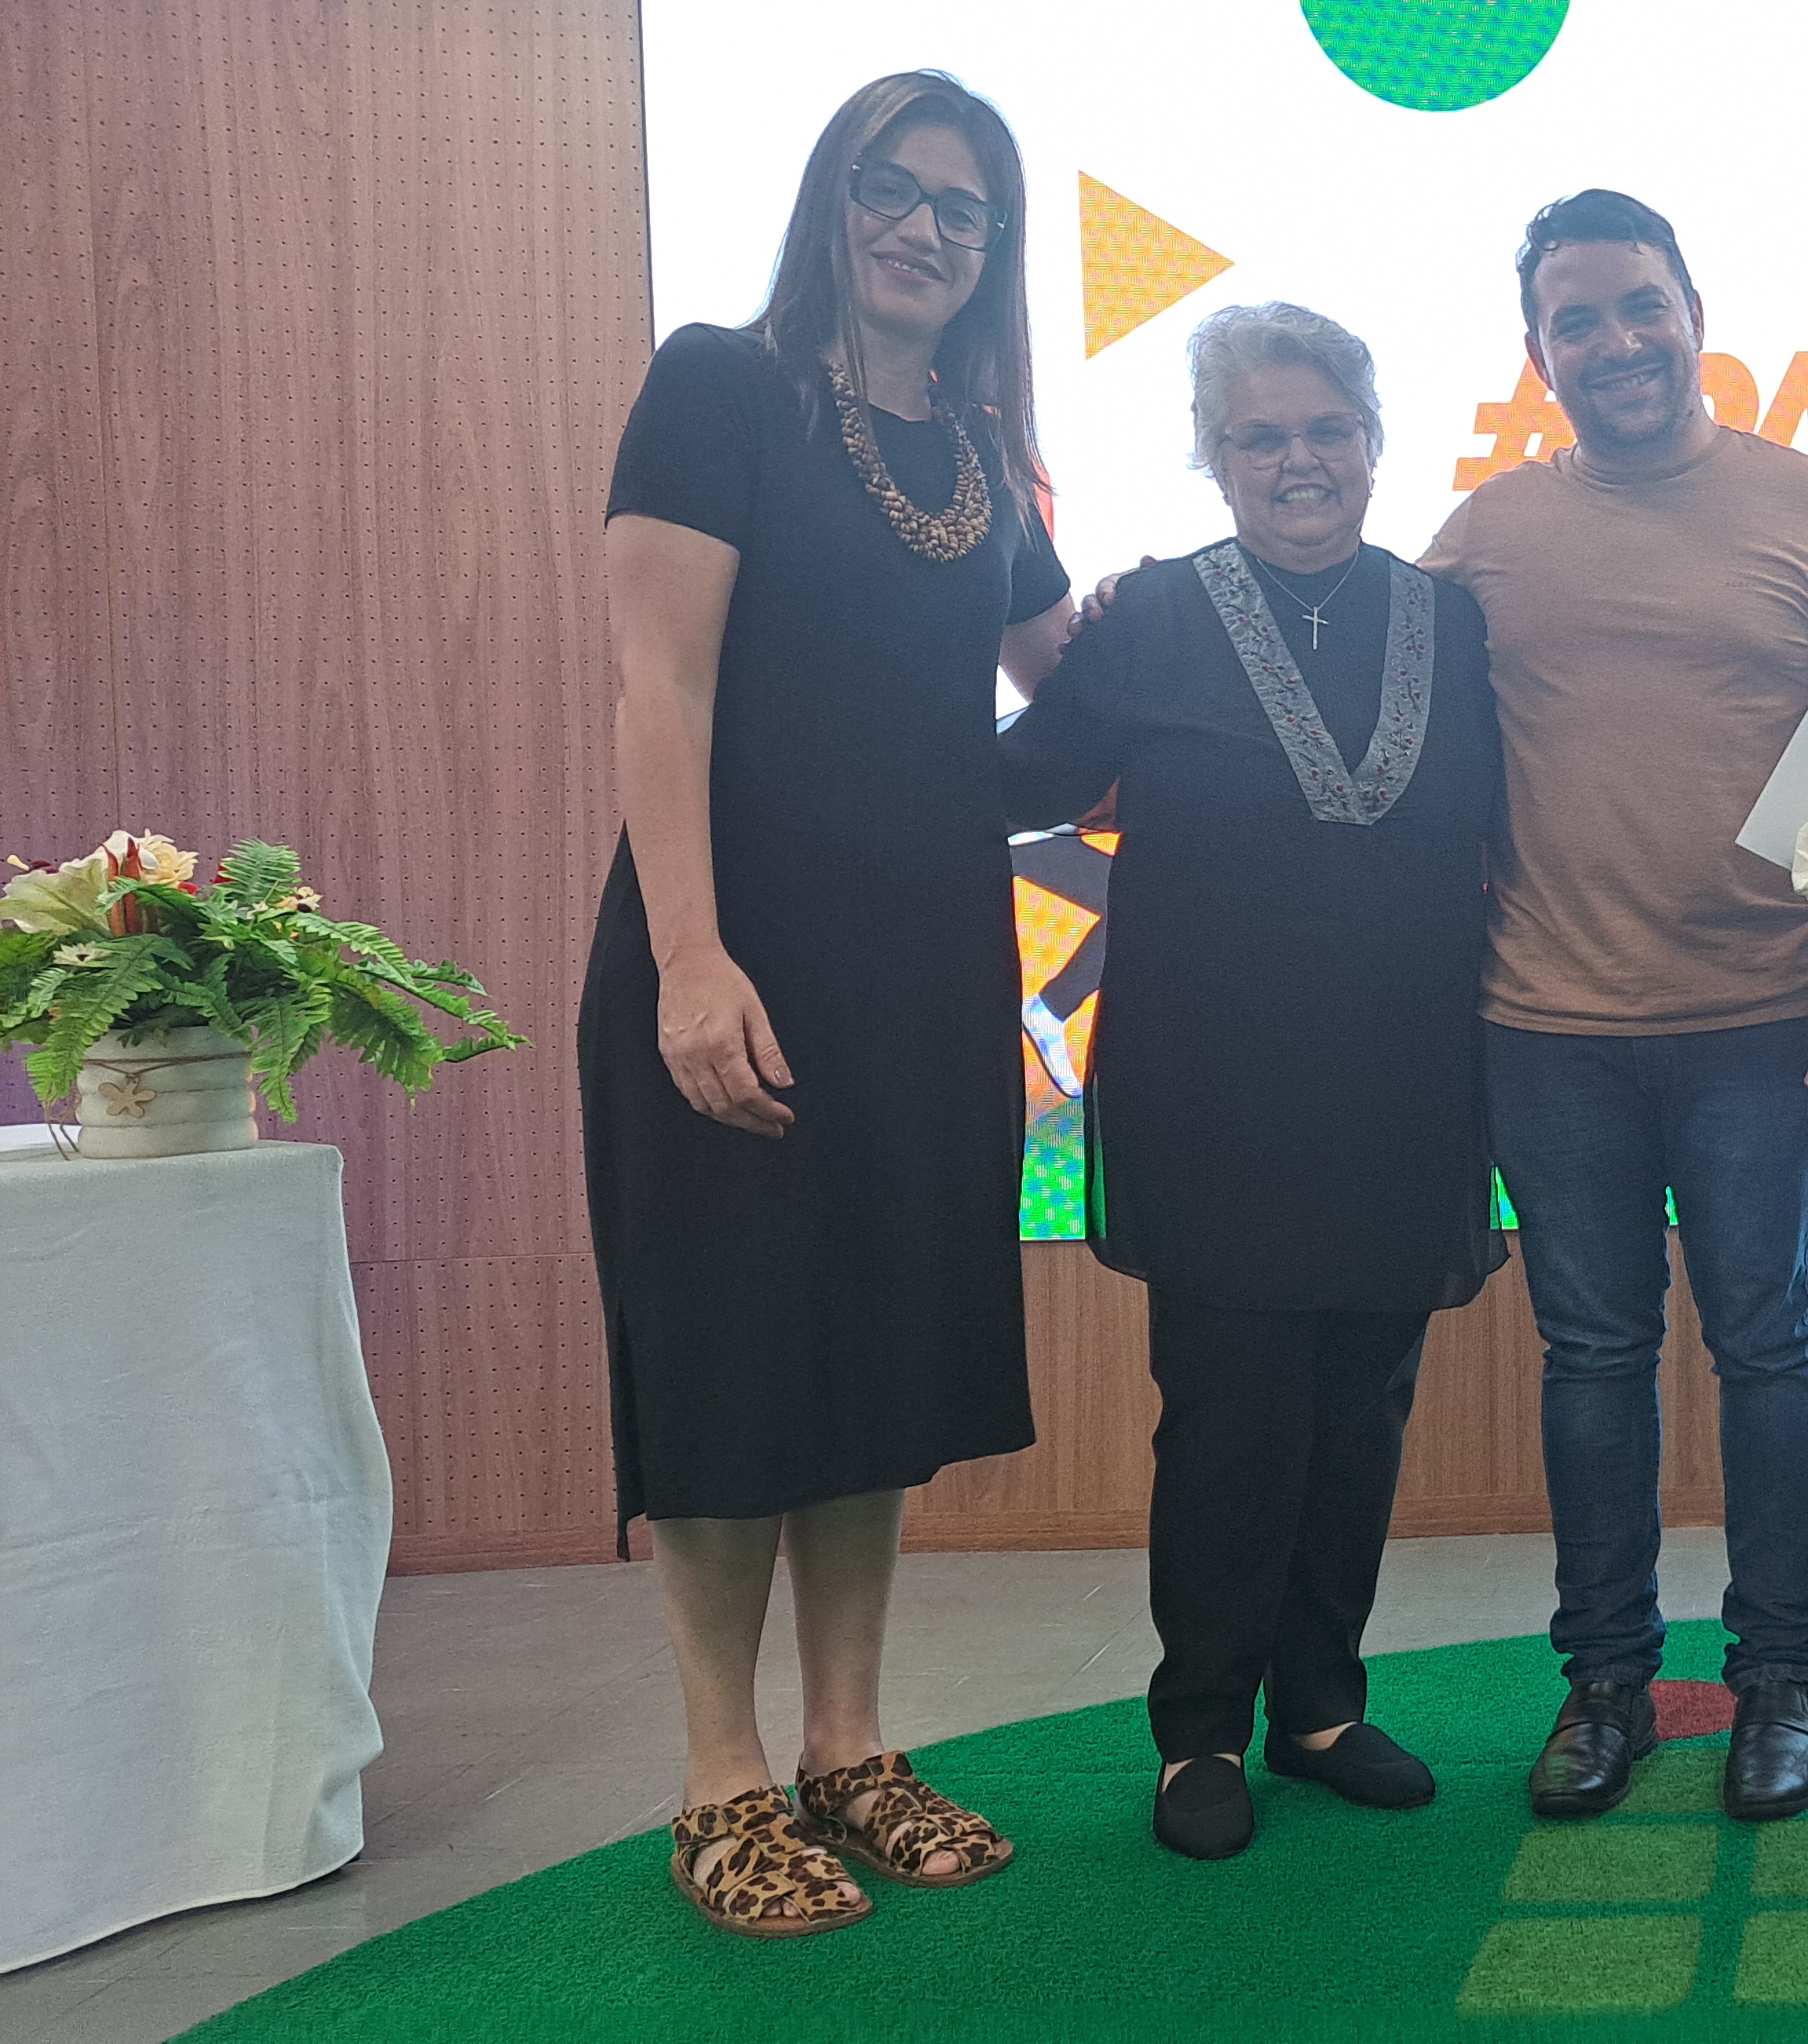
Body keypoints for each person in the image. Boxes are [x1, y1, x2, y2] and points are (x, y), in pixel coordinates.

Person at [583, 71, 1069, 1936]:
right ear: (828, 197)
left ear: (994, 251)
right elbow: (660, 687)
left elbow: (1067, 675)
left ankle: (849, 1751)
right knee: (732, 1355)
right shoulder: (725, 387)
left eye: (964, 207)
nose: (923, 228)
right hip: (741, 954)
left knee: (872, 1354)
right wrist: (690, 961)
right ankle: (719, 1782)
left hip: (924, 972)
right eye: (892, 186)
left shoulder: (981, 453)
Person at [1419, 189, 1808, 1824]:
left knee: (1768, 1348)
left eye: (1641, 306)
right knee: (1591, 1358)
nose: (1616, 341)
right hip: (1546, 1026)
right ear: (1538, 353)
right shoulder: (1488, 535)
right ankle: (1606, 1688)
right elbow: (1376, 700)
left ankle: (1780, 1681)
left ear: (1694, 315)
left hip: (1763, 1016)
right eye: (1578, 319)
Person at [1000, 303, 1503, 1862]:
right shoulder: (1148, 617)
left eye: (1325, 429)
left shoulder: (1455, 620)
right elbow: (1020, 779)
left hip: (1402, 1088)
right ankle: (1202, 1731)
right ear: (1214, 460)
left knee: (1360, 1414)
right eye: (1259, 437)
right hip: (1214, 1101)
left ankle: (1323, 1709)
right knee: (1231, 1423)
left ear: (1374, 440)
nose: (1299, 461)